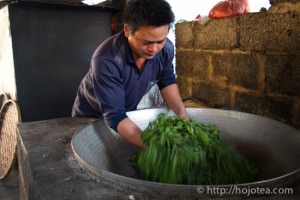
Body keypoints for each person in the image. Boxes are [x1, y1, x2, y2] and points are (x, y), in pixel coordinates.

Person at [72, 0, 189, 148]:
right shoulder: (107, 60)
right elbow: (115, 116)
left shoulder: (165, 50)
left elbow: (167, 82)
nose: (154, 49)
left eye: (160, 41)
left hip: (123, 114)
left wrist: (184, 118)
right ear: (127, 31)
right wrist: (158, 151)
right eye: (146, 42)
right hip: (90, 117)